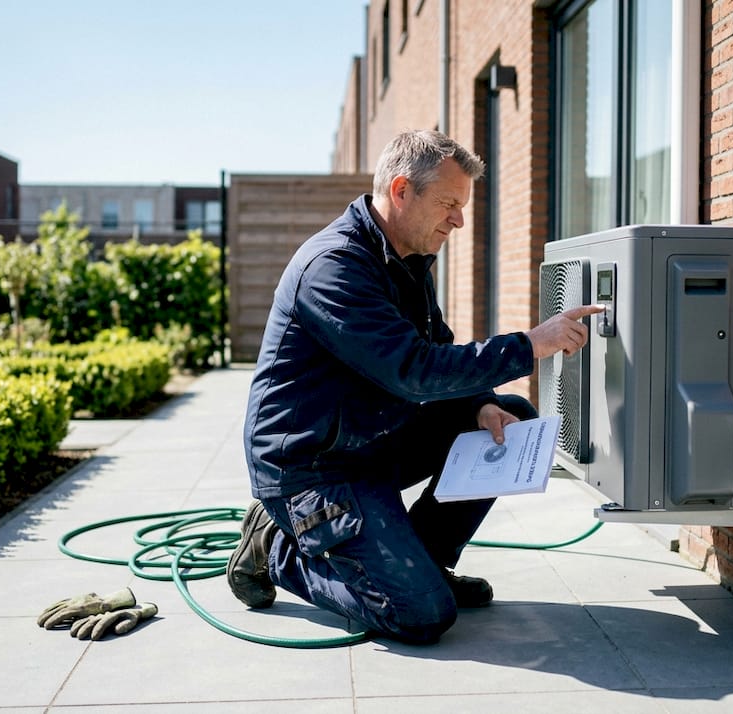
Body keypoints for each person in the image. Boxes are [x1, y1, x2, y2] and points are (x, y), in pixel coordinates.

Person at [230, 129, 602, 644]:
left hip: (368, 441)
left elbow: (438, 344)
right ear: (401, 190)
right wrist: (530, 344)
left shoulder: (406, 259)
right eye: (449, 204)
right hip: (312, 465)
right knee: (423, 616)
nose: (459, 220)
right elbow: (411, 370)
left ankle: (425, 566)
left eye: (462, 206)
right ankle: (277, 551)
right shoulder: (334, 267)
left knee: (510, 416)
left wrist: (479, 404)